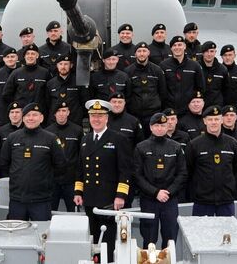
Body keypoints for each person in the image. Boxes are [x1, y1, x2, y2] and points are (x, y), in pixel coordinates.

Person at [74, 100, 132, 259]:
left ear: (107, 118)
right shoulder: (85, 139)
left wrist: (120, 196)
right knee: (92, 240)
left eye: (100, 116)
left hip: (109, 199)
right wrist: (78, 191)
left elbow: (125, 171)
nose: (96, 119)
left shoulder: (118, 139)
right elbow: (80, 169)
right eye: (93, 116)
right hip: (89, 198)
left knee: (107, 241)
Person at [0, 102, 66, 221]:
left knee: (41, 235)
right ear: (23, 118)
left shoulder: (51, 139)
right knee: (16, 235)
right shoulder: (12, 138)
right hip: (17, 199)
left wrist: (46, 180)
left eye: (35, 115)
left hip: (41, 200)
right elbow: (4, 163)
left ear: (41, 118)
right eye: (28, 115)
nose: (31, 118)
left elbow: (60, 165)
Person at [134, 112, 187, 249]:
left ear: (167, 127)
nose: (159, 128)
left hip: (170, 199)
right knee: (149, 239)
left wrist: (168, 192)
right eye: (156, 125)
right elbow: (137, 175)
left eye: (162, 125)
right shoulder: (141, 147)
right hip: (149, 199)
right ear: (151, 127)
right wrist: (155, 192)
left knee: (170, 239)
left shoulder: (176, 147)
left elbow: (182, 173)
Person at [186, 106, 237, 216]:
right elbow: (188, 171)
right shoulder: (194, 144)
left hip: (226, 201)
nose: (214, 122)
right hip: (202, 201)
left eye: (216, 119)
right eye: (210, 119)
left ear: (222, 120)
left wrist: (230, 189)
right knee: (201, 232)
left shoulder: (232, 143)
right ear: (204, 121)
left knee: (226, 232)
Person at [45, 101, 83, 212]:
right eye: (58, 111)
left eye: (64, 110)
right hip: (53, 181)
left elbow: (81, 155)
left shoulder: (77, 130)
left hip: (71, 180)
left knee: (74, 213)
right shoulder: (47, 132)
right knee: (49, 213)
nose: (61, 114)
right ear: (54, 114)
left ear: (68, 112)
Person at [125, 42, 169, 130]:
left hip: (153, 114)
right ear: (135, 54)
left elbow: (163, 92)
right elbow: (127, 94)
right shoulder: (128, 71)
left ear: (148, 53)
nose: (142, 54)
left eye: (144, 51)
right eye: (139, 51)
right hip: (134, 115)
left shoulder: (157, 70)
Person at [161, 34, 206, 114]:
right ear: (171, 48)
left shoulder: (194, 66)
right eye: (174, 45)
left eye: (180, 45)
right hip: (168, 110)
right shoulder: (163, 65)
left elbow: (200, 88)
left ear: (184, 46)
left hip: (188, 110)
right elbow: (161, 88)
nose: (177, 47)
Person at [3, 44, 50, 114]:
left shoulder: (45, 73)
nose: (30, 56)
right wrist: (17, 106)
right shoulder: (16, 73)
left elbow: (48, 95)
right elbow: (6, 94)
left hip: (39, 112)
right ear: (24, 56)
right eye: (27, 54)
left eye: (33, 54)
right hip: (21, 113)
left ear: (37, 56)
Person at [46, 55, 85, 125]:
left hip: (74, 122)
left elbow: (83, 102)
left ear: (71, 65)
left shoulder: (79, 82)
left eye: (66, 64)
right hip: (54, 123)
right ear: (57, 65)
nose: (63, 67)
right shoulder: (50, 83)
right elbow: (47, 104)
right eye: (60, 64)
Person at [198, 40, 228, 107]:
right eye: (206, 51)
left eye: (211, 51)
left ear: (215, 52)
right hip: (199, 107)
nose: (209, 54)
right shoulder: (196, 67)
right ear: (202, 53)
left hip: (216, 107)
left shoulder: (222, 69)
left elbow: (226, 91)